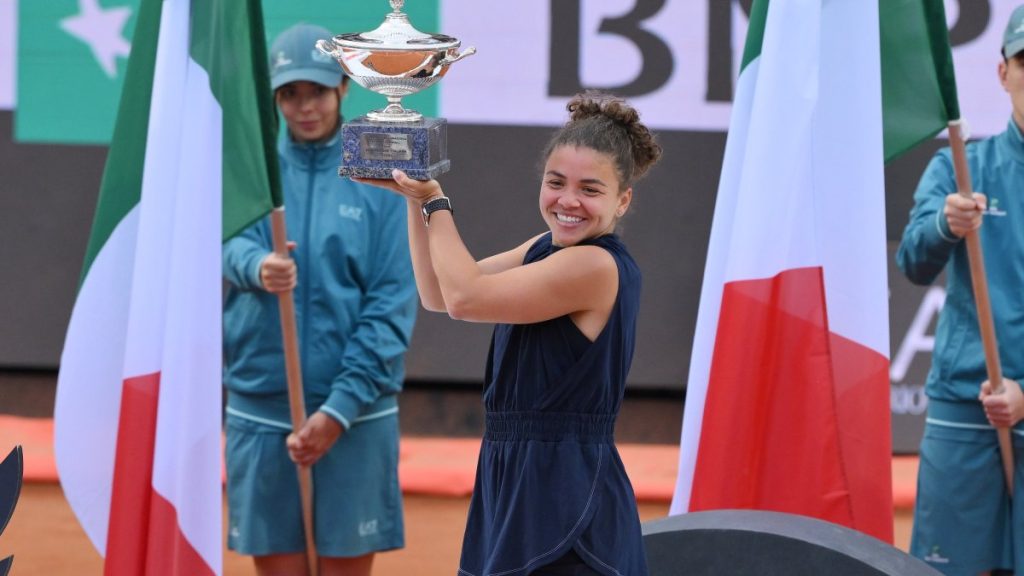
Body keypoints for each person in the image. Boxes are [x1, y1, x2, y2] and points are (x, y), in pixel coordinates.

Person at [359, 92, 662, 576]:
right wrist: (413, 201)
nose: (568, 201)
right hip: (514, 475)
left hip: (564, 489)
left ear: (623, 200)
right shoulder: (545, 247)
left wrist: (435, 200)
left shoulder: (595, 264)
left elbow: (465, 298)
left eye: (590, 189)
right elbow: (438, 292)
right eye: (556, 182)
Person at [221, 23, 417, 576]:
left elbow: (389, 304)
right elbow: (218, 243)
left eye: (317, 92)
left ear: (343, 90)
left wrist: (338, 411)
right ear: (276, 99)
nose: (304, 107)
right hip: (262, 410)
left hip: (355, 416)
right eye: (290, 94)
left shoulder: (379, 171)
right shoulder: (250, 171)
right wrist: (256, 266)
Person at [897, 5, 1024, 575]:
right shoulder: (960, 167)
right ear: (1003, 73)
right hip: (967, 407)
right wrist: (945, 225)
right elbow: (914, 262)